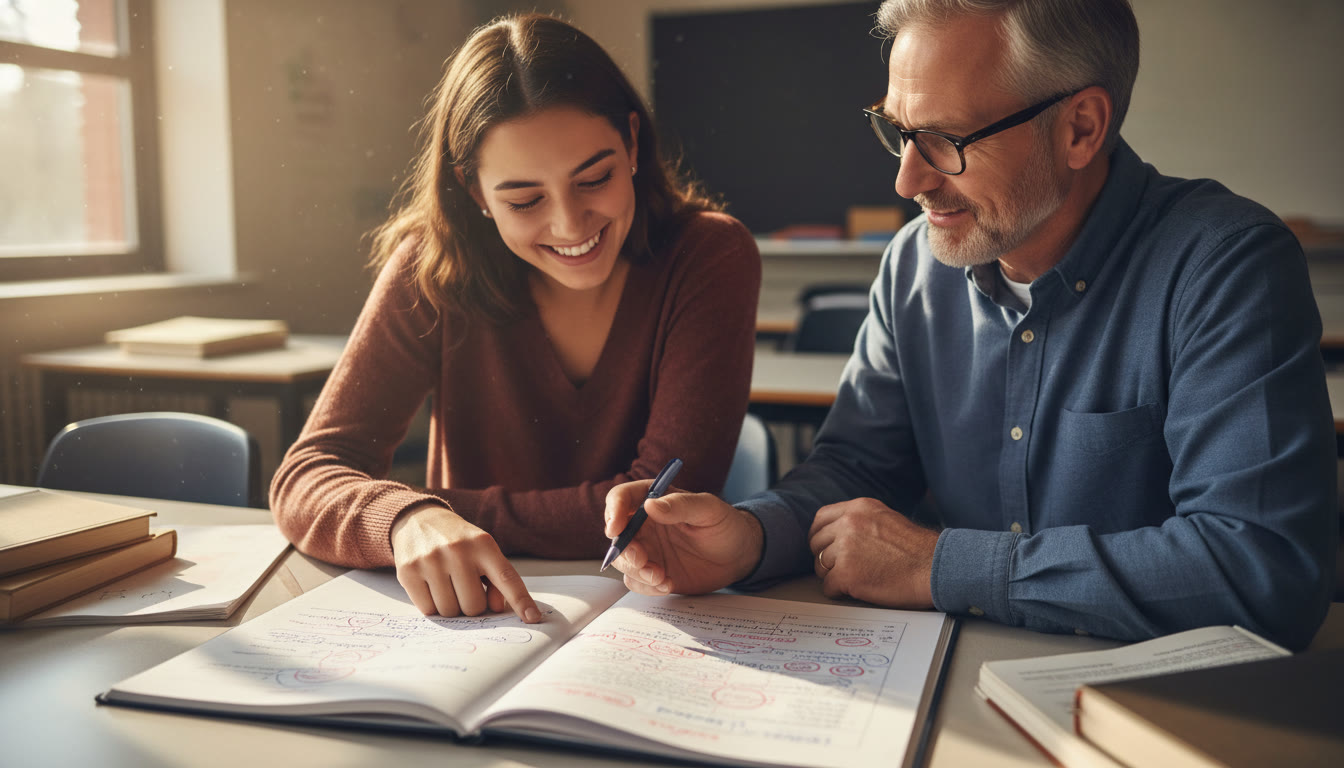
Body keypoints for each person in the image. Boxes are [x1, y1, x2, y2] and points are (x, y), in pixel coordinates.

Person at [604, 0, 1337, 650]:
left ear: (1081, 128)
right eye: (898, 132)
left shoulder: (1224, 266)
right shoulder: (913, 268)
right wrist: (752, 537)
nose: (907, 180)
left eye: (947, 139)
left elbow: (1263, 570)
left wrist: (941, 565)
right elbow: (858, 471)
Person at [271, 13, 760, 624]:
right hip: (474, 620)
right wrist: (406, 519)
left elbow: (654, 509)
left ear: (632, 143)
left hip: (653, 614)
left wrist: (439, 506)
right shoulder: (430, 265)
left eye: (595, 178)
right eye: (524, 200)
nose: (569, 225)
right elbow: (307, 475)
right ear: (473, 190)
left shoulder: (709, 254)